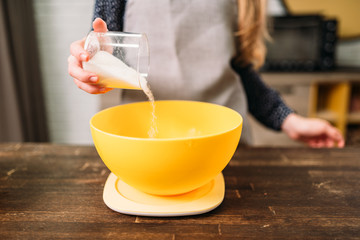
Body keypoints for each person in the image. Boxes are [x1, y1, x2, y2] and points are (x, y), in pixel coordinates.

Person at [68, 0, 345, 148]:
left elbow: (240, 70)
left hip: (227, 150)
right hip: (147, 146)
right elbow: (105, 51)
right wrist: (91, 66)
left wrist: (288, 119)